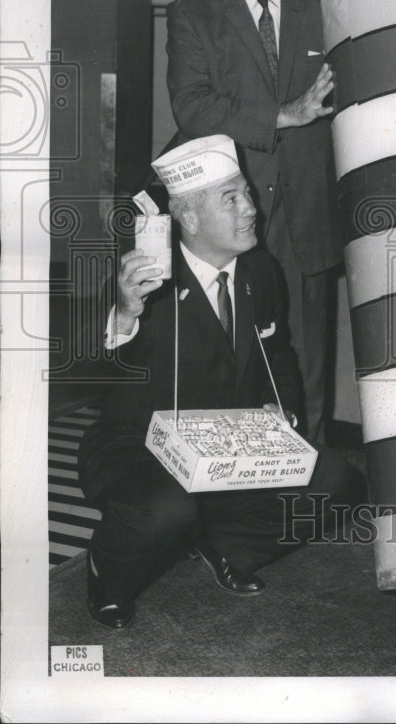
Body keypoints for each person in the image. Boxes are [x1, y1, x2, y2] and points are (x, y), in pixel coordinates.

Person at [78, 135, 363, 629]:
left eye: (247, 193)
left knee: (337, 481)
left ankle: (225, 547)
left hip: (230, 447)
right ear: (187, 218)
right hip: (139, 447)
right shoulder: (144, 279)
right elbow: (93, 368)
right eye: (230, 198)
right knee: (169, 510)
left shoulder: (261, 271)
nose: (250, 208)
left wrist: (284, 413)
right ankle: (108, 570)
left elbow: (279, 356)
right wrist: (125, 312)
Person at [166, 0, 340, 441]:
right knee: (230, 345)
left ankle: (302, 479)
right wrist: (284, 116)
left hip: (308, 209)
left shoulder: (328, 6)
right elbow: (192, 107)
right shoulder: (194, 12)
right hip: (227, 210)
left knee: (306, 352)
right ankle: (236, 482)